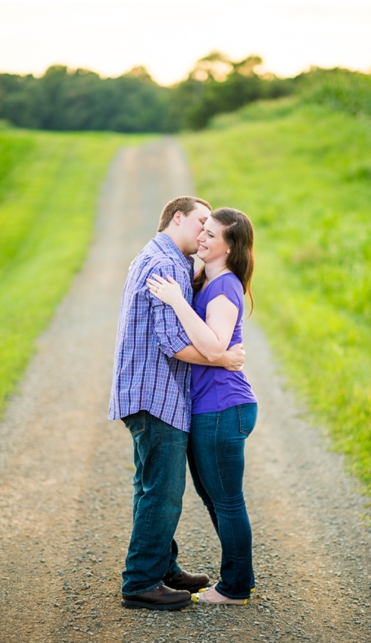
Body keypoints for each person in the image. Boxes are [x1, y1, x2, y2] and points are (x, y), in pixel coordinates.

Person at [109, 196, 246, 611]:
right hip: (157, 393)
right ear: (178, 218)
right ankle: (142, 581)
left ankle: (161, 567)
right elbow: (173, 342)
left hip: (145, 392)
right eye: (201, 222)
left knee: (149, 487)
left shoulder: (158, 256)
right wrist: (224, 356)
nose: (205, 231)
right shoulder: (168, 264)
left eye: (212, 228)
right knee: (163, 492)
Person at [146, 207, 258, 606]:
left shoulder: (225, 286)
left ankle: (235, 588)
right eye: (203, 230)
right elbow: (216, 350)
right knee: (218, 499)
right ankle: (239, 577)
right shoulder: (203, 281)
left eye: (212, 235)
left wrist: (177, 301)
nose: (203, 238)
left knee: (227, 501)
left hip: (223, 407)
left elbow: (213, 345)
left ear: (230, 248)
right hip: (210, 408)